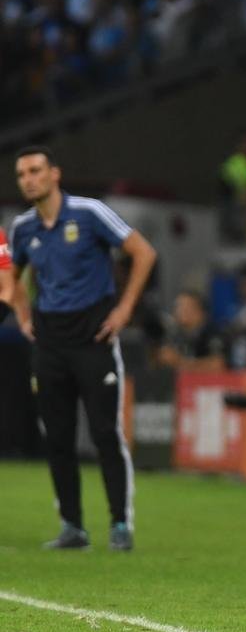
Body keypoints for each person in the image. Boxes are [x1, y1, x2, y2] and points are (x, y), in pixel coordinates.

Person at [8, 146, 158, 551]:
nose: (29, 179)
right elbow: (11, 280)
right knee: (57, 437)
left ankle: (120, 524)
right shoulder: (23, 228)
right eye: (22, 174)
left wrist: (125, 309)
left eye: (36, 170)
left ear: (55, 174)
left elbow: (143, 252)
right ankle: (72, 526)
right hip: (50, 343)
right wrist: (23, 315)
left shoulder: (89, 213)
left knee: (106, 433)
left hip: (94, 338)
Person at [156, 290, 225, 372]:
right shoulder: (174, 334)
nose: (179, 311)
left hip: (208, 383)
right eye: (177, 306)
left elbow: (218, 365)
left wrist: (180, 362)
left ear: (200, 311)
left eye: (185, 307)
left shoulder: (212, 333)